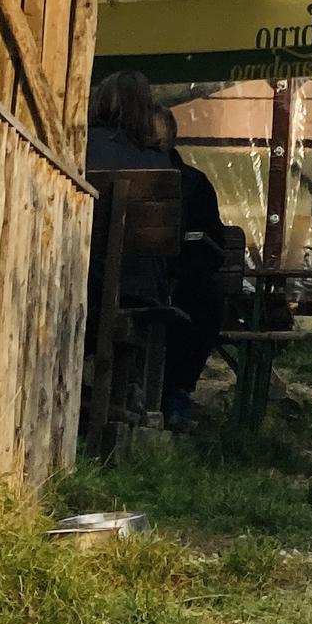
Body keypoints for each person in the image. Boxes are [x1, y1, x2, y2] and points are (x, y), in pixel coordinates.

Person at [86, 69, 232, 427]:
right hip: (139, 290)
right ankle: (155, 400)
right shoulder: (160, 165)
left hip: (80, 283)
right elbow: (175, 244)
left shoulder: (76, 147)